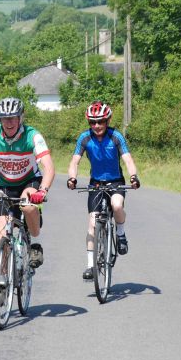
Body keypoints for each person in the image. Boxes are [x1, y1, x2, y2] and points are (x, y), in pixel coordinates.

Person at [0, 97, 54, 268]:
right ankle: (3, 278)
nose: (9, 122)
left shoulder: (32, 135)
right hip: (6, 186)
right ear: (0, 119)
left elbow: (48, 166)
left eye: (13, 117)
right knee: (2, 236)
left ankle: (35, 243)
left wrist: (42, 191)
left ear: (21, 117)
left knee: (27, 206)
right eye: (5, 118)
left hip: (30, 181)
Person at [67, 100, 140, 280]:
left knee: (116, 205)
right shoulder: (84, 138)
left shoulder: (116, 136)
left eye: (100, 121)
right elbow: (75, 161)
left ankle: (121, 234)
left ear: (107, 120)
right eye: (92, 122)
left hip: (115, 181)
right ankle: (91, 266)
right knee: (92, 223)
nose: (97, 126)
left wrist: (133, 176)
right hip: (96, 183)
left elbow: (128, 159)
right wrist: (72, 178)